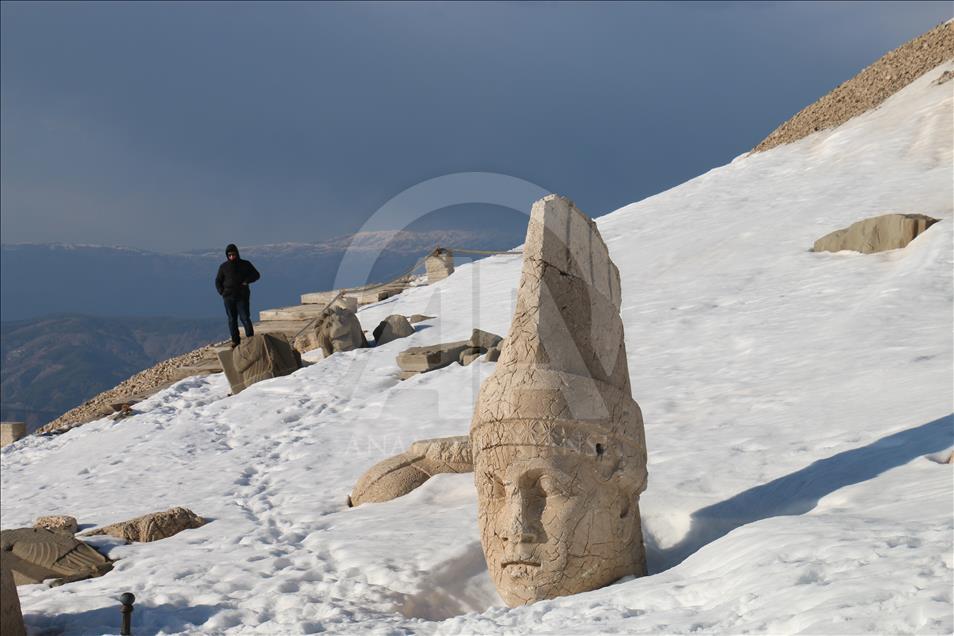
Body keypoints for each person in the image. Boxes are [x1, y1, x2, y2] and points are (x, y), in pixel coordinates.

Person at [215, 243, 260, 347]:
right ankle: (235, 341)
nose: (232, 257)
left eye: (233, 254)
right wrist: (221, 292)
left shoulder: (245, 264)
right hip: (228, 297)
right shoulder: (223, 267)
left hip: (242, 296)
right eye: (229, 255)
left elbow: (256, 275)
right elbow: (218, 281)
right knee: (232, 319)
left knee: (245, 317)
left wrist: (246, 281)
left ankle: (250, 339)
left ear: (237, 254)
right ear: (227, 255)